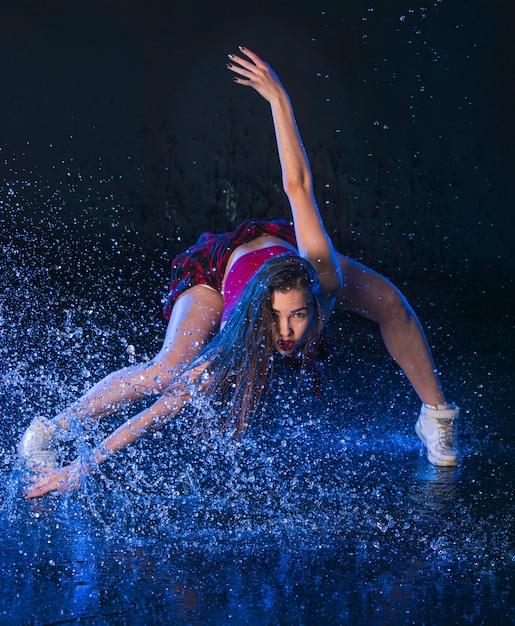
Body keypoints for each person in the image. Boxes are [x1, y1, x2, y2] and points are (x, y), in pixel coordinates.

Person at [19, 47, 460, 498]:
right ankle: (52, 428)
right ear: (261, 311)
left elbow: (298, 185)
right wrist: (79, 469)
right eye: (278, 318)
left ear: (317, 303)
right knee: (168, 374)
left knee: (391, 303)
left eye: (298, 316)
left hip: (284, 256)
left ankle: (437, 416)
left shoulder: (325, 277)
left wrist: (280, 100)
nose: (286, 332)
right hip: (220, 272)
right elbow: (162, 409)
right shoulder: (243, 325)